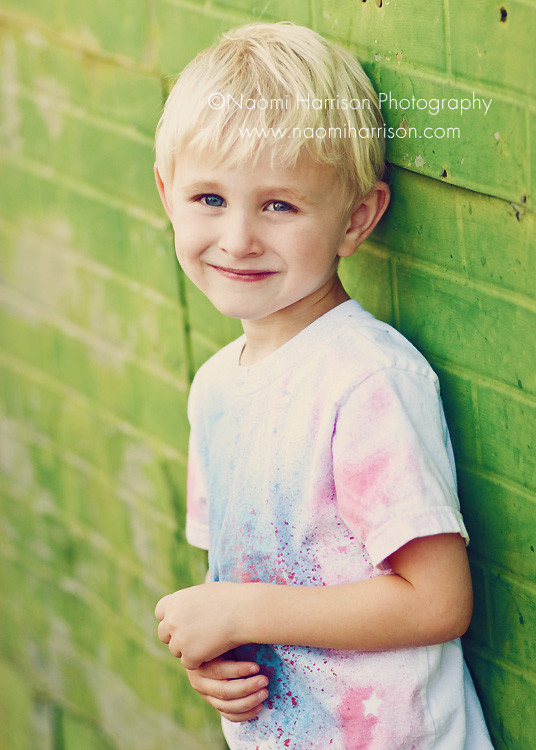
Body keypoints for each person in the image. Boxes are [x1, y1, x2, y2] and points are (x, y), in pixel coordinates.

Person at [153, 22, 493, 749]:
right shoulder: (215, 388)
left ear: (357, 218)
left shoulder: (366, 378)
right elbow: (239, 588)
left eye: (279, 205)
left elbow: (437, 602)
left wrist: (241, 613)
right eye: (209, 198)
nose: (238, 237)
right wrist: (217, 657)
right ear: (166, 194)